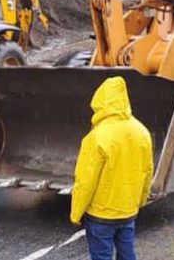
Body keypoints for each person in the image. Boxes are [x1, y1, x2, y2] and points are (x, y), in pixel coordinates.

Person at [70, 77, 154, 260]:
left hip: (101, 214)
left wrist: (76, 213)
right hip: (128, 212)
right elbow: (147, 172)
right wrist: (140, 201)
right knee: (127, 254)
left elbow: (85, 180)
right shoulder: (142, 133)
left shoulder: (97, 137)